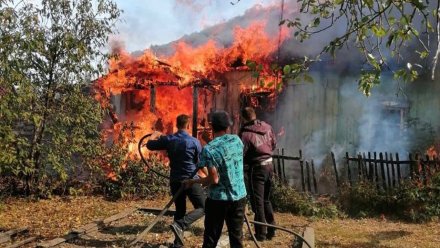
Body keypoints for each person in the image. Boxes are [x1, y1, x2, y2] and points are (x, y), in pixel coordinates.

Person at [183, 111, 247, 248]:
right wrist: (209, 141)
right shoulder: (237, 140)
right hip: (239, 197)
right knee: (236, 238)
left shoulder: (209, 149)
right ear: (227, 126)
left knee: (211, 239)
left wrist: (192, 182)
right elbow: (224, 151)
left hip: (218, 200)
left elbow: (214, 179)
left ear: (212, 127)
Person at [146, 114, 205, 248]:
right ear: (188, 125)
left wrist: (154, 134)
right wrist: (205, 178)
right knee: (203, 207)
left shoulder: (169, 139)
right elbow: (200, 162)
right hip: (191, 180)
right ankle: (180, 224)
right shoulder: (194, 141)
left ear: (177, 125)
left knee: (180, 210)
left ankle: (177, 244)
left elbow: (149, 145)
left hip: (176, 180)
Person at [239, 107, 276, 241]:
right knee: (266, 199)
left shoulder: (245, 134)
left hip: (257, 169)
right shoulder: (268, 127)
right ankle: (272, 230)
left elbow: (241, 153)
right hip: (270, 166)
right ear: (255, 115)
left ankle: (260, 234)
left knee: (258, 202)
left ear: (243, 118)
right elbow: (273, 144)